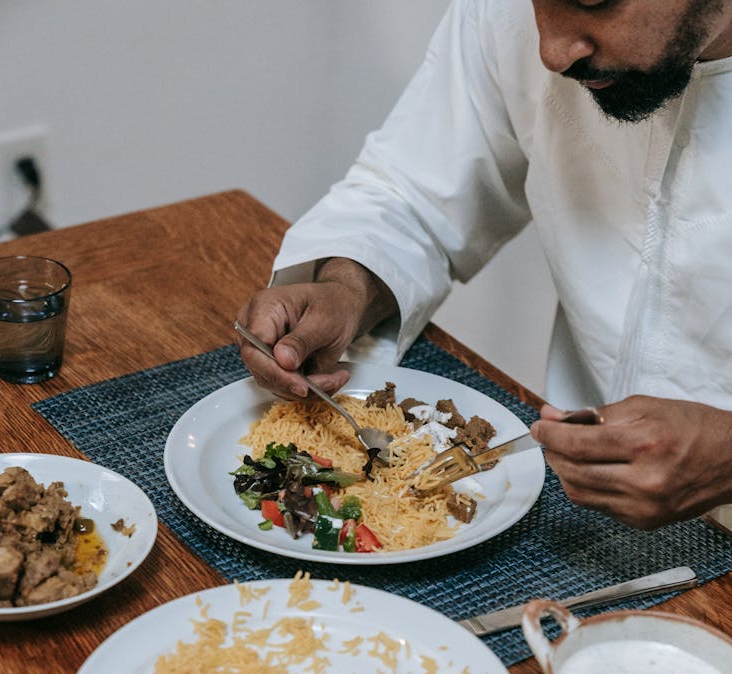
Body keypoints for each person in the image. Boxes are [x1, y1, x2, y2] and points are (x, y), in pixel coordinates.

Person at [236, 0, 732, 530]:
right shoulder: (510, 17)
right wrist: (347, 285)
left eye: (593, 0)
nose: (552, 52)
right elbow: (414, 194)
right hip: (572, 508)